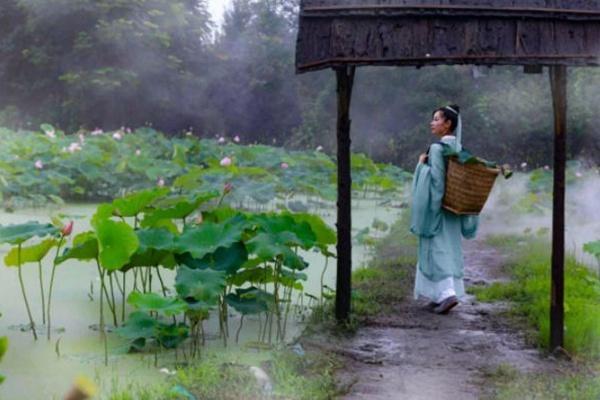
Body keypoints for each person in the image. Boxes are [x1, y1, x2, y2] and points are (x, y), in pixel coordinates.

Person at [409, 104, 479, 314]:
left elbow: (437, 181)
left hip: (438, 208)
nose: (433, 123)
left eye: (437, 119)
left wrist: (422, 165)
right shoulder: (459, 149)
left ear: (448, 124)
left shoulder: (438, 149)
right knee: (449, 249)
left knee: (437, 250)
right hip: (454, 209)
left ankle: (447, 294)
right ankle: (437, 295)